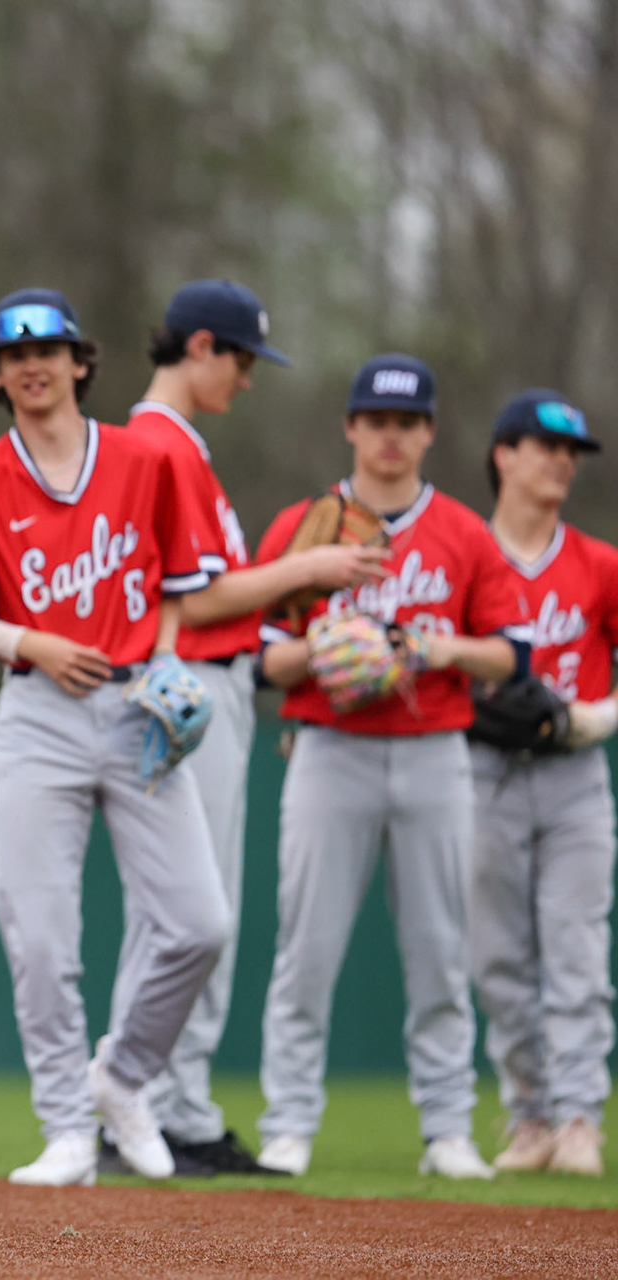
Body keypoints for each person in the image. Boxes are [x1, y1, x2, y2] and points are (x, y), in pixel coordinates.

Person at [0, 287, 228, 1187]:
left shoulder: (144, 459)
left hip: (138, 702)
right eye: (13, 354)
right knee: (39, 934)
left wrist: (169, 662)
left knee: (199, 923)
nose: (32, 364)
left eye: (48, 349)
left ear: (79, 361)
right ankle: (67, 1126)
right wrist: (30, 642)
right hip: (39, 713)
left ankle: (123, 1077)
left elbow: (180, 582)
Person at [107, 281, 387, 1176]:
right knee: (190, 910)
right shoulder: (161, 443)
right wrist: (307, 568)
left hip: (212, 680)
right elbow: (195, 600)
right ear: (199, 346)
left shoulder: (168, 442)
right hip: (194, 681)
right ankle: (158, 1109)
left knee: (189, 908)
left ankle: (164, 1105)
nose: (248, 378)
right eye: (240, 358)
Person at [253, 354, 529, 1180]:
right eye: (376, 420)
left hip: (435, 751)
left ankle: (448, 1129)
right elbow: (261, 659)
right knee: (306, 948)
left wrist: (430, 648)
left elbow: (510, 656)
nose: (390, 436)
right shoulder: (306, 525)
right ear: (351, 426)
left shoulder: (464, 534)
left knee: (442, 948)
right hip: (328, 748)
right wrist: (324, 650)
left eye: (407, 423)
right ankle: (288, 1124)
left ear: (430, 432)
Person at [469, 389, 617, 1176]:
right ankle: (530, 1117)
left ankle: (579, 1117)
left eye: (572, 452)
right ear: (504, 454)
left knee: (576, 950)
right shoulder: (467, 554)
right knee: (497, 959)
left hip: (574, 777)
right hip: (483, 771)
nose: (564, 462)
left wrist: (595, 718)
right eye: (548, 446)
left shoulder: (599, 564)